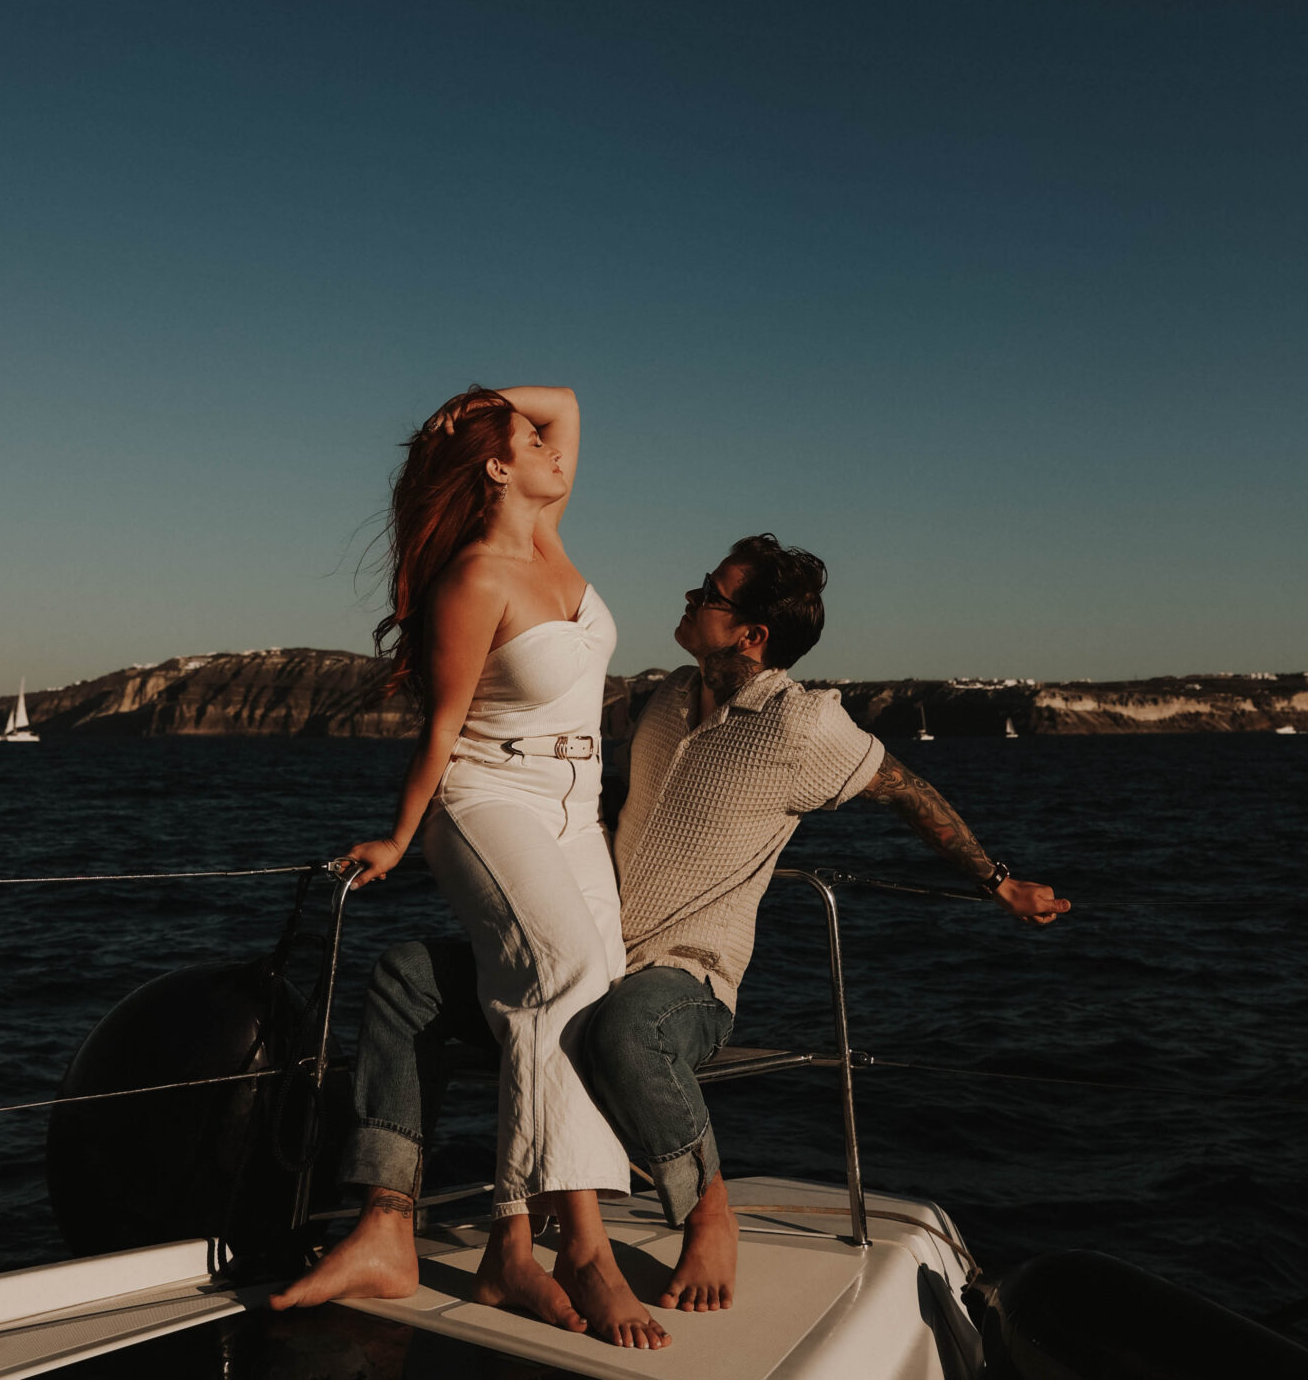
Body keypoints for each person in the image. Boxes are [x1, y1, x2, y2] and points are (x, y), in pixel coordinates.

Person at [273, 535, 1069, 1322]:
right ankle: (385, 1223)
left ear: (752, 635)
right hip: (590, 954)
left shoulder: (804, 725)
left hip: (685, 981)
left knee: (624, 1027)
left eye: (710, 593)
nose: (689, 598)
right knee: (406, 977)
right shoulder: (663, 700)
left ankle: (706, 1213)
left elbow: (905, 790)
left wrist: (998, 882)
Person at [270, 385, 670, 1350]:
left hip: (580, 809)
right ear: (498, 467)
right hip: (489, 799)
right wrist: (402, 839)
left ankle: (508, 1247)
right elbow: (441, 730)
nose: (554, 447)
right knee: (566, 971)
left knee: (592, 990)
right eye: (530, 441)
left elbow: (570, 398)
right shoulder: (474, 579)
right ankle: (582, 1249)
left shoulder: (550, 532)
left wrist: (482, 402)